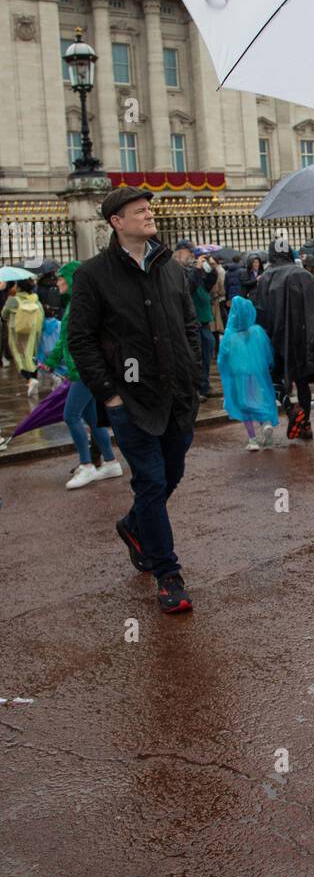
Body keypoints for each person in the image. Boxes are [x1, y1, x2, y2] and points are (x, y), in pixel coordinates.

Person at [68, 187, 202, 613]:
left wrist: (194, 376)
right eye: (138, 211)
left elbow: (189, 325)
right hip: (131, 401)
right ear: (116, 222)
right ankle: (168, 575)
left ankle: (132, 525)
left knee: (171, 475)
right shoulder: (93, 274)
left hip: (178, 396)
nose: (148, 214)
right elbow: (81, 339)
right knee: (150, 481)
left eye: (148, 208)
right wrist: (109, 396)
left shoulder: (171, 268)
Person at [45, 260, 123, 489]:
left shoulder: (81, 305)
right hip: (79, 368)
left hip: (84, 370)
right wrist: (52, 360)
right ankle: (110, 462)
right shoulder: (73, 305)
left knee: (70, 415)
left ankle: (87, 465)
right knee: (91, 418)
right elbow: (65, 340)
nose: (57, 282)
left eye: (61, 278)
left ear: (71, 280)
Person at [256, 240, 314, 440]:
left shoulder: (265, 278)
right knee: (303, 382)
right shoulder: (306, 275)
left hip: (277, 338)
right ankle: (305, 423)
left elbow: (261, 313)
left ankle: (290, 409)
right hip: (304, 338)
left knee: (274, 379)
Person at [216, 296, 278, 450]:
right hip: (257, 376)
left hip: (239, 377)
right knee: (258, 400)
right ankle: (266, 424)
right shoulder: (257, 331)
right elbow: (268, 353)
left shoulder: (229, 335)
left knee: (244, 406)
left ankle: (252, 439)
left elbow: (222, 358)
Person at [1, 279, 44, 398]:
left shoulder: (13, 299)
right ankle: (34, 381)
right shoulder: (34, 298)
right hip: (32, 330)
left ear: (19, 287)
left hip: (16, 330)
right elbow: (41, 312)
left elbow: (4, 313)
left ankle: (30, 380)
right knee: (31, 354)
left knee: (19, 356)